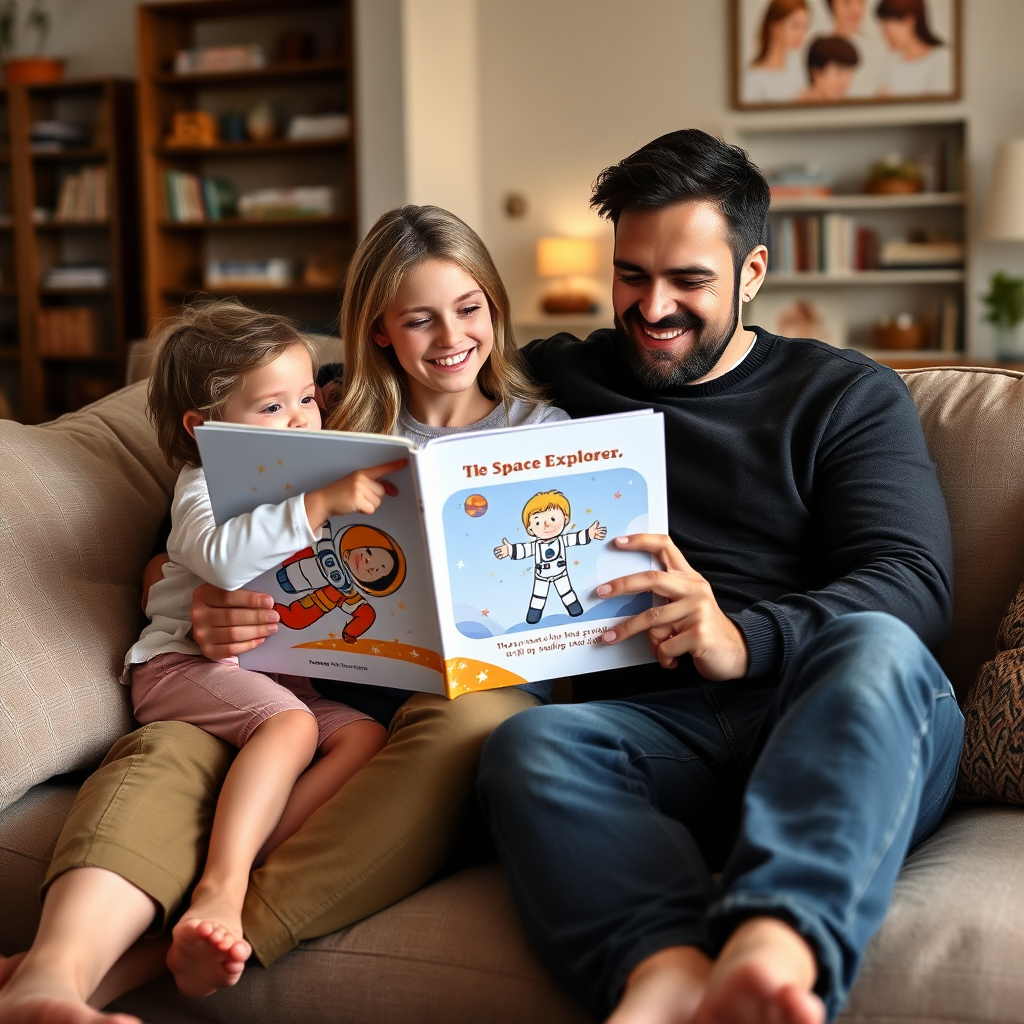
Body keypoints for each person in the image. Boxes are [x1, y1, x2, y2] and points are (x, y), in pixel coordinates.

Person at [0, 205, 566, 1024]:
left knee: (455, 729)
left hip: (442, 697)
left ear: (496, 308)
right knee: (167, 745)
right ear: (377, 330)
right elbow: (190, 539)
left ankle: (152, 957)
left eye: (470, 307)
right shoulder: (322, 417)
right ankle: (53, 970)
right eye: (418, 318)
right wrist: (203, 603)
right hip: (284, 674)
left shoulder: (546, 431)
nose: (449, 335)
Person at [474, 129, 963, 1024]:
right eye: (631, 276)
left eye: (689, 282)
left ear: (752, 271)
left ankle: (775, 947)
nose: (652, 308)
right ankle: (666, 976)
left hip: (833, 720)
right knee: (528, 746)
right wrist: (193, 538)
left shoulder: (845, 396)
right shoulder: (558, 377)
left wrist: (743, 638)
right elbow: (358, 396)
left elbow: (913, 579)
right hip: (662, 734)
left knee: (874, 643)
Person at [125, 301, 408, 995]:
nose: (302, 420)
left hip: (273, 673)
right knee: (292, 725)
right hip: (181, 665)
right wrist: (320, 505)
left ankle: (249, 855)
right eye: (273, 407)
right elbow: (221, 559)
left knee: (363, 738)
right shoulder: (203, 485)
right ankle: (221, 885)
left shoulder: (301, 475)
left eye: (307, 398)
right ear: (203, 429)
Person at [875, 0, 950, 97]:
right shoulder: (891, 62)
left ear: (908, 21)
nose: (883, 34)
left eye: (886, 26)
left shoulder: (942, 59)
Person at [742, 0, 810, 104]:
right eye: (795, 26)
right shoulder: (753, 78)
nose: (802, 34)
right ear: (775, 26)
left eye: (804, 27)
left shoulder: (798, 70)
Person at [798, 35, 860, 102]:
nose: (845, 82)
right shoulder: (795, 109)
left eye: (849, 73)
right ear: (816, 73)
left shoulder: (849, 109)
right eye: (839, 73)